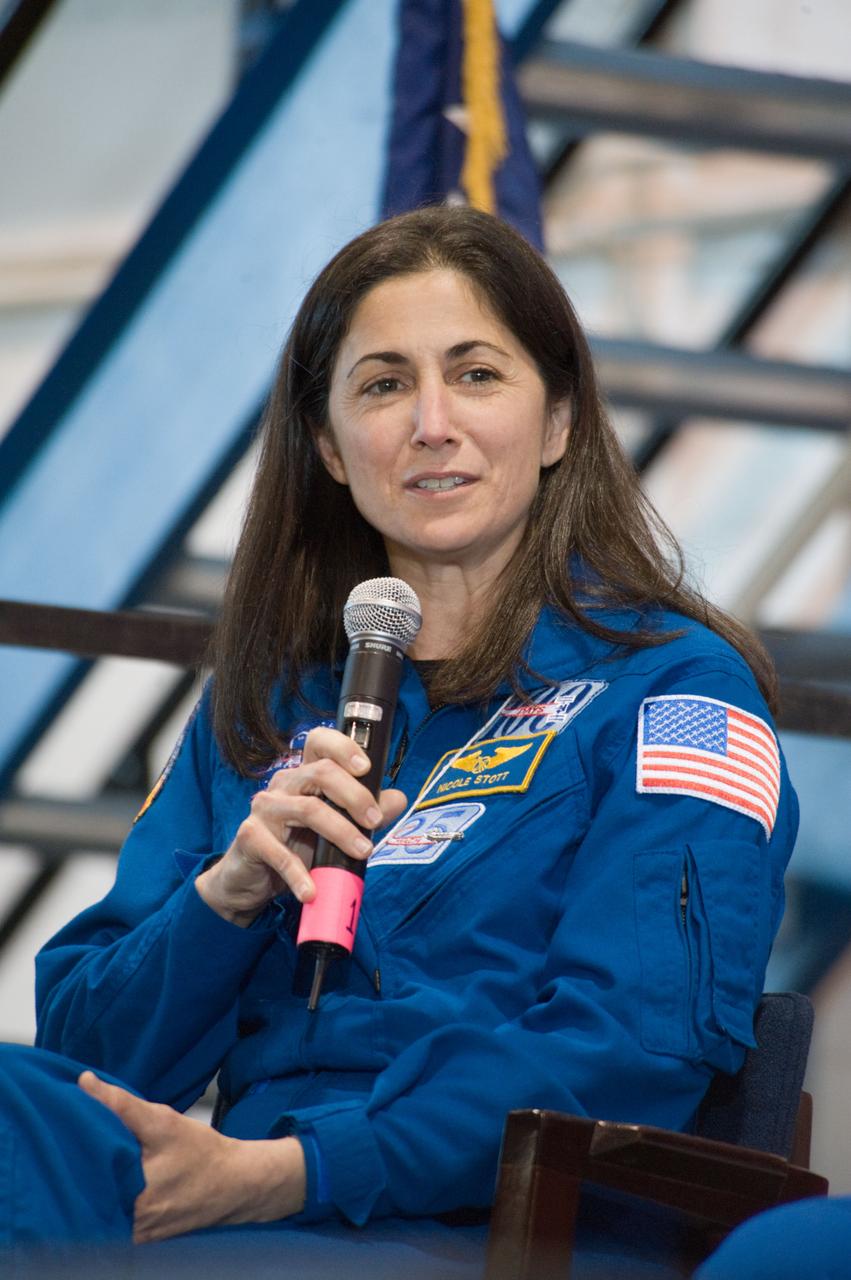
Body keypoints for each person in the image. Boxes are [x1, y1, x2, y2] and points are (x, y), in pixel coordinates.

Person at [3, 206, 796, 1274]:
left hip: (470, 1226)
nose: (431, 421)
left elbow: (622, 1053)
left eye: (475, 373)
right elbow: (86, 1055)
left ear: (558, 419)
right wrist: (225, 898)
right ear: (327, 444)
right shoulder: (266, 699)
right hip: (225, 1204)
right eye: (382, 383)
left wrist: (297, 1167)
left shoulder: (674, 692)